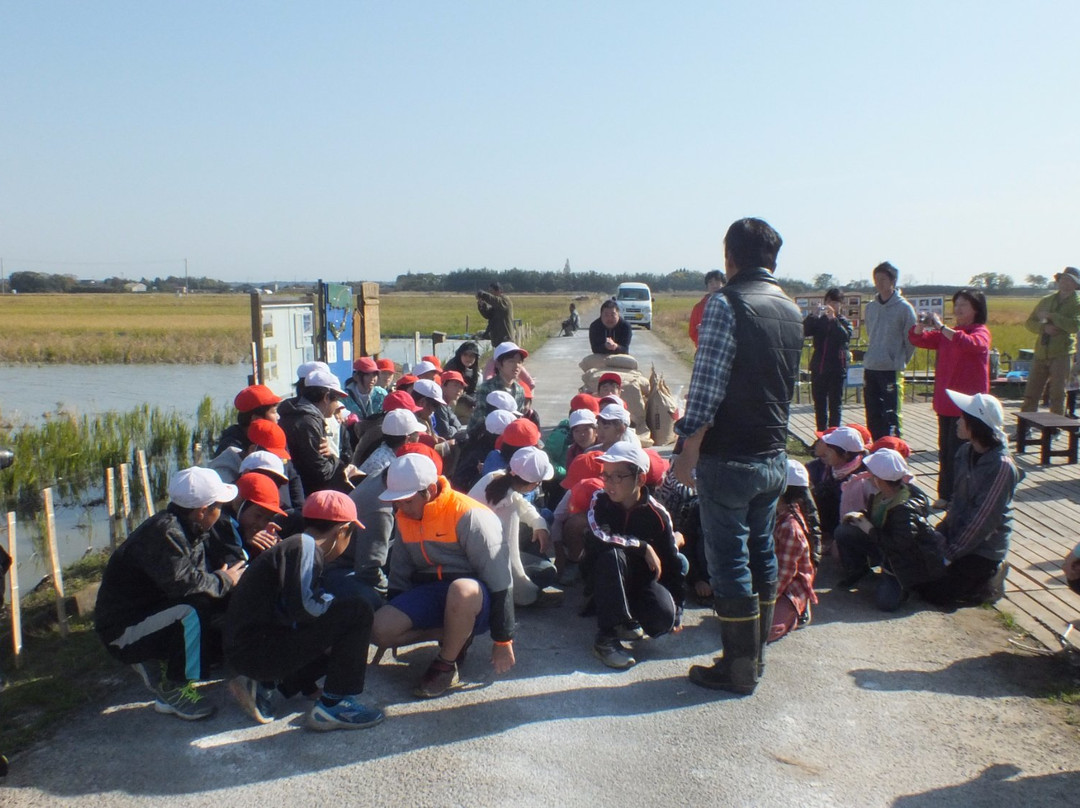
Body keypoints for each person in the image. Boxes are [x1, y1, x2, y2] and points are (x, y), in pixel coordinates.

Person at [672, 217, 803, 696]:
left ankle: (737, 665)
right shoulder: (790, 310)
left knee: (730, 561)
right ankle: (757, 658)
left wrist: (687, 444)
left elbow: (706, 389)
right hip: (773, 453)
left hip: (729, 455)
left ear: (730, 257)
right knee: (761, 552)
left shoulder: (725, 305)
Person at [224, 490, 384, 730]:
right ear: (342, 531)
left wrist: (308, 685)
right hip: (255, 654)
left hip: (250, 651)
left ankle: (265, 684)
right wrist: (334, 606)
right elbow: (305, 610)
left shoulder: (297, 546)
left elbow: (290, 612)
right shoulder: (304, 547)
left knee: (337, 622)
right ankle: (335, 704)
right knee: (357, 611)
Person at [94, 467, 246, 720]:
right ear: (202, 511)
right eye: (218, 506)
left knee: (211, 610)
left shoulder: (190, 528)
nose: (221, 513)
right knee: (194, 609)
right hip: (123, 632)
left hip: (149, 615)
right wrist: (223, 579)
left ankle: (155, 659)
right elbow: (184, 586)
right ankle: (173, 689)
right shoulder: (165, 533)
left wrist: (220, 581)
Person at [371, 454, 516, 698]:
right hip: (432, 592)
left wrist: (503, 640)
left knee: (461, 590)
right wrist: (395, 612)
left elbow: (501, 579)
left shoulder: (470, 515)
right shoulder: (405, 516)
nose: (399, 507)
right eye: (396, 502)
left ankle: (446, 664)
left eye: (405, 501)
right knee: (380, 630)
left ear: (428, 491)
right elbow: (400, 571)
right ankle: (456, 635)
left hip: (473, 598)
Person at [585, 442, 685, 669]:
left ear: (640, 479)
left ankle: (627, 618)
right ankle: (606, 637)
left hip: (638, 580)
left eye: (618, 476)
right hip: (603, 576)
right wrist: (641, 546)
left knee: (662, 621)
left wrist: (677, 607)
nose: (609, 483)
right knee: (612, 555)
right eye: (606, 475)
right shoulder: (599, 500)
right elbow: (598, 534)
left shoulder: (657, 513)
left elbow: (671, 561)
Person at [917, 391, 1021, 607]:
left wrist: (950, 553)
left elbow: (983, 520)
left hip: (984, 547)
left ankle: (991, 577)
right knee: (916, 574)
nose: (957, 421)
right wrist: (940, 532)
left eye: (963, 418)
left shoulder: (1001, 466)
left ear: (976, 425)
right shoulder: (965, 452)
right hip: (958, 536)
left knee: (934, 593)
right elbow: (957, 500)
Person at [834, 448, 945, 611]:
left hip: (902, 563)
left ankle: (906, 587)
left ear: (879, 479)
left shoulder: (904, 510)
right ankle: (860, 570)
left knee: (886, 604)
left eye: (871, 473)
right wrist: (861, 516)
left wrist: (869, 528)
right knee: (844, 531)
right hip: (886, 548)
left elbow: (899, 545)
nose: (867, 476)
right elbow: (878, 518)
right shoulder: (883, 495)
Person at [908, 289, 992, 506]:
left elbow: (971, 344)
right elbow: (917, 338)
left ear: (976, 309)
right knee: (945, 452)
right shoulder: (949, 334)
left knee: (963, 453)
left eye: (964, 304)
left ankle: (961, 495)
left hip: (968, 406)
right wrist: (921, 324)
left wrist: (942, 328)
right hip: (946, 403)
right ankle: (945, 494)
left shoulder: (980, 331)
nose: (958, 309)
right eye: (957, 304)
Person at [469, 446, 557, 606]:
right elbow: (509, 556)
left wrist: (539, 524)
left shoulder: (494, 478)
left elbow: (520, 502)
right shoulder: (507, 507)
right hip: (482, 563)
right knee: (547, 572)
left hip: (473, 553)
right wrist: (529, 594)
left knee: (536, 528)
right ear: (534, 484)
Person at [279, 368, 361, 495]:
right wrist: (334, 459)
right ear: (326, 397)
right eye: (336, 399)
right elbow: (321, 472)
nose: (337, 405)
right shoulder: (308, 422)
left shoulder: (296, 414)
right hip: (308, 493)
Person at [863, 262, 917, 439]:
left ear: (893, 281)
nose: (879, 283)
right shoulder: (870, 307)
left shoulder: (904, 308)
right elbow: (871, 332)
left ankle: (895, 449)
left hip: (891, 369)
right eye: (876, 279)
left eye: (883, 279)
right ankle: (876, 448)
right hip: (871, 366)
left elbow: (911, 340)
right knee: (873, 413)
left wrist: (898, 360)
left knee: (891, 414)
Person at [1020, 267, 1080, 416]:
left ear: (1076, 284)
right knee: (1031, 392)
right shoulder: (1046, 300)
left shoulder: (1077, 303)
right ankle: (1025, 427)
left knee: (1058, 394)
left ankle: (1055, 427)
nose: (1064, 282)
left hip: (1062, 353)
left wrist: (1053, 317)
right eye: (1062, 279)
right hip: (1041, 351)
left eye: (1069, 280)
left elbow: (1074, 326)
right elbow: (1029, 323)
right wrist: (1043, 328)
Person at [770, 461, 818, 641]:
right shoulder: (772, 511)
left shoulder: (791, 528)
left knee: (762, 631)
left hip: (786, 586)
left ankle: (797, 610)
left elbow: (785, 572)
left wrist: (766, 601)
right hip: (767, 576)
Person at [803, 287, 852, 431]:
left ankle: (834, 435)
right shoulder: (820, 320)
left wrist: (833, 320)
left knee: (835, 404)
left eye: (835, 302)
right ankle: (821, 435)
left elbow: (844, 336)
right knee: (819, 403)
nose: (831, 305)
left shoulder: (843, 321)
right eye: (829, 301)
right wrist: (813, 315)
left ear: (841, 304)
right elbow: (805, 331)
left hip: (837, 368)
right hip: (819, 366)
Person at [469, 342, 529, 434]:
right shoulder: (486, 388)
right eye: (511, 361)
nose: (516, 365)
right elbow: (480, 420)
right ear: (498, 364)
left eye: (519, 362)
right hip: (485, 436)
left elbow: (518, 419)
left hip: (510, 436)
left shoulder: (520, 390)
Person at [688, 270, 726, 347]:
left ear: (723, 283)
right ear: (707, 286)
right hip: (704, 349)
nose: (714, 285)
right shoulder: (699, 307)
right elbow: (692, 331)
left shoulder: (731, 304)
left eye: (717, 281)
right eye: (710, 282)